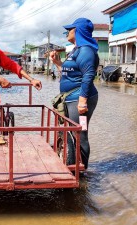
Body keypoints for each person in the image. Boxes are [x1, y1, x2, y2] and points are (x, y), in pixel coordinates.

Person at [49, 18, 99, 169]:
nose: (67, 32)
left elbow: (88, 76)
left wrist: (82, 101)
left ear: (78, 31)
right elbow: (68, 74)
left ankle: (82, 171)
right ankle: (75, 165)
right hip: (70, 98)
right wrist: (58, 62)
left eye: (70, 30)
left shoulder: (86, 51)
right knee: (72, 132)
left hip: (80, 99)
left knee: (81, 133)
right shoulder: (76, 50)